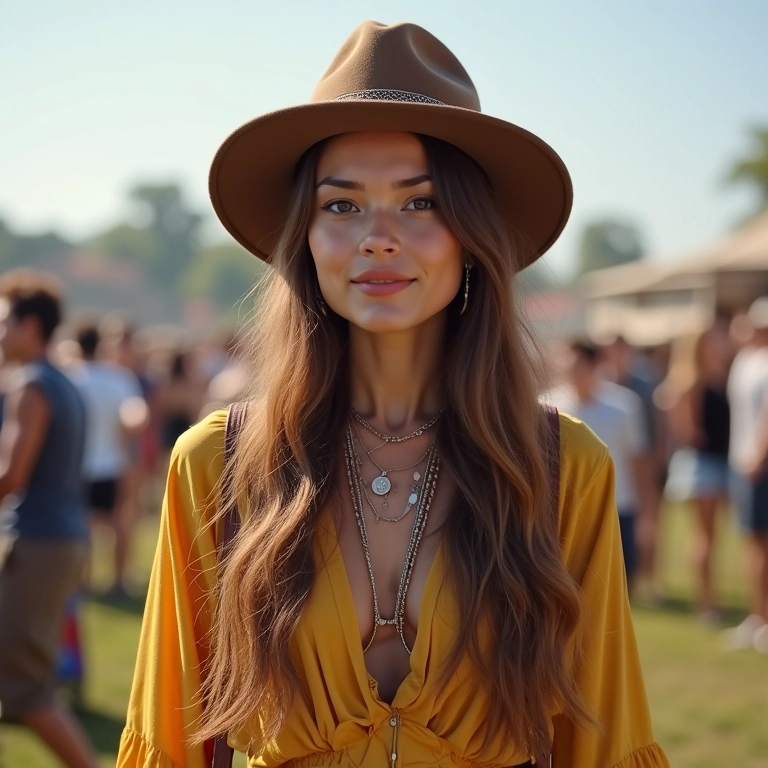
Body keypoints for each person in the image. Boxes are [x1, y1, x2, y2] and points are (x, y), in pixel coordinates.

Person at [117, 21, 668, 768]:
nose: (379, 237)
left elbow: (602, 739)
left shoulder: (563, 466)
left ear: (473, 235)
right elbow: (170, 739)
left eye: (420, 203)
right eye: (341, 206)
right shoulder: (215, 465)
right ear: (305, 240)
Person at [0, 270, 97, 768]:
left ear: (30, 326)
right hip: (61, 539)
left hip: (39, 542)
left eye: (3, 323)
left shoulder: (31, 385)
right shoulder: (62, 380)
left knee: (27, 694)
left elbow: (11, 475)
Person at [548, 341, 649, 594]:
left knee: (617, 583)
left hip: (617, 503)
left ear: (593, 366)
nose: (571, 371)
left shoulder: (623, 405)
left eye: (578, 365)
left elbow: (636, 458)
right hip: (563, 508)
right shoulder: (547, 405)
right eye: (566, 365)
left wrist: (645, 509)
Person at [659, 322, 732, 624]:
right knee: (705, 536)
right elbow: (686, 431)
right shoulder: (689, 382)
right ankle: (705, 603)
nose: (719, 346)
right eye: (712, 341)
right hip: (701, 465)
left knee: (713, 537)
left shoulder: (721, 379)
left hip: (719, 463)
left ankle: (710, 599)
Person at [68, 322, 147, 597]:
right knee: (119, 523)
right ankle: (118, 580)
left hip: (77, 464)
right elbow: (136, 416)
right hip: (113, 462)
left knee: (82, 526)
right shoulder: (119, 378)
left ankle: (84, 581)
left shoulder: (69, 378)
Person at [603, 335, 666, 599]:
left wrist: (657, 461)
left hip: (645, 458)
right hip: (620, 459)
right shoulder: (603, 383)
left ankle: (648, 578)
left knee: (649, 520)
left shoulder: (646, 381)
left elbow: (658, 425)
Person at [724, 297, 768, 652]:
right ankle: (757, 617)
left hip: (758, 464)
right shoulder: (745, 360)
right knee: (753, 545)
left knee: (760, 547)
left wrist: (758, 454)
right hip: (743, 462)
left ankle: (761, 619)